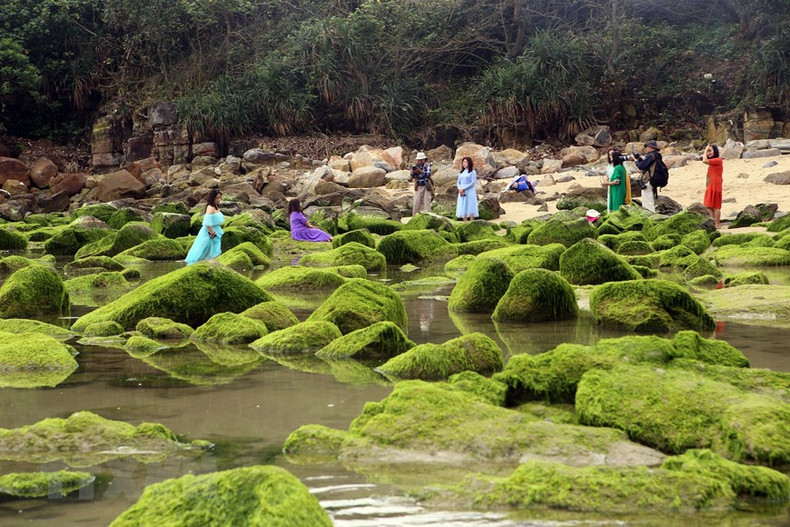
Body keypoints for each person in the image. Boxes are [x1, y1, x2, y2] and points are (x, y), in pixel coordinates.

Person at [185, 189, 224, 265]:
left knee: (215, 249)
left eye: (220, 198)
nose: (219, 200)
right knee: (202, 249)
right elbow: (207, 222)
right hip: (209, 232)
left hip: (216, 230)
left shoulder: (216, 206)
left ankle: (213, 263)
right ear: (212, 198)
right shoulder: (210, 207)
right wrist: (212, 233)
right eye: (217, 198)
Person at [633, 140, 662, 213]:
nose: (646, 148)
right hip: (654, 179)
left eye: (647, 147)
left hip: (648, 180)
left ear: (651, 148)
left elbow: (641, 166)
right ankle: (651, 214)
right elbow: (647, 164)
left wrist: (635, 160)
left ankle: (650, 215)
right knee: (650, 199)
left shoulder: (651, 156)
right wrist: (640, 158)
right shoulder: (657, 156)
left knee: (647, 201)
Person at [702, 143, 723, 228]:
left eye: (710, 151)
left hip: (715, 184)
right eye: (708, 151)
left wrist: (705, 150)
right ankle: (713, 223)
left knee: (716, 205)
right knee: (709, 206)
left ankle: (717, 224)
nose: (708, 153)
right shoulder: (713, 162)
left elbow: (704, 161)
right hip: (710, 184)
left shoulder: (718, 160)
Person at [455, 156, 478, 221]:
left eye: (465, 162)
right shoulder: (461, 172)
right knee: (462, 206)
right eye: (463, 162)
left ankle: (471, 221)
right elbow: (458, 182)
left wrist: (464, 188)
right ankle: (465, 221)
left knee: (470, 206)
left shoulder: (472, 172)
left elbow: (472, 183)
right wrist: (459, 188)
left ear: (469, 163)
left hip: (469, 191)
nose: (464, 164)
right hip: (461, 191)